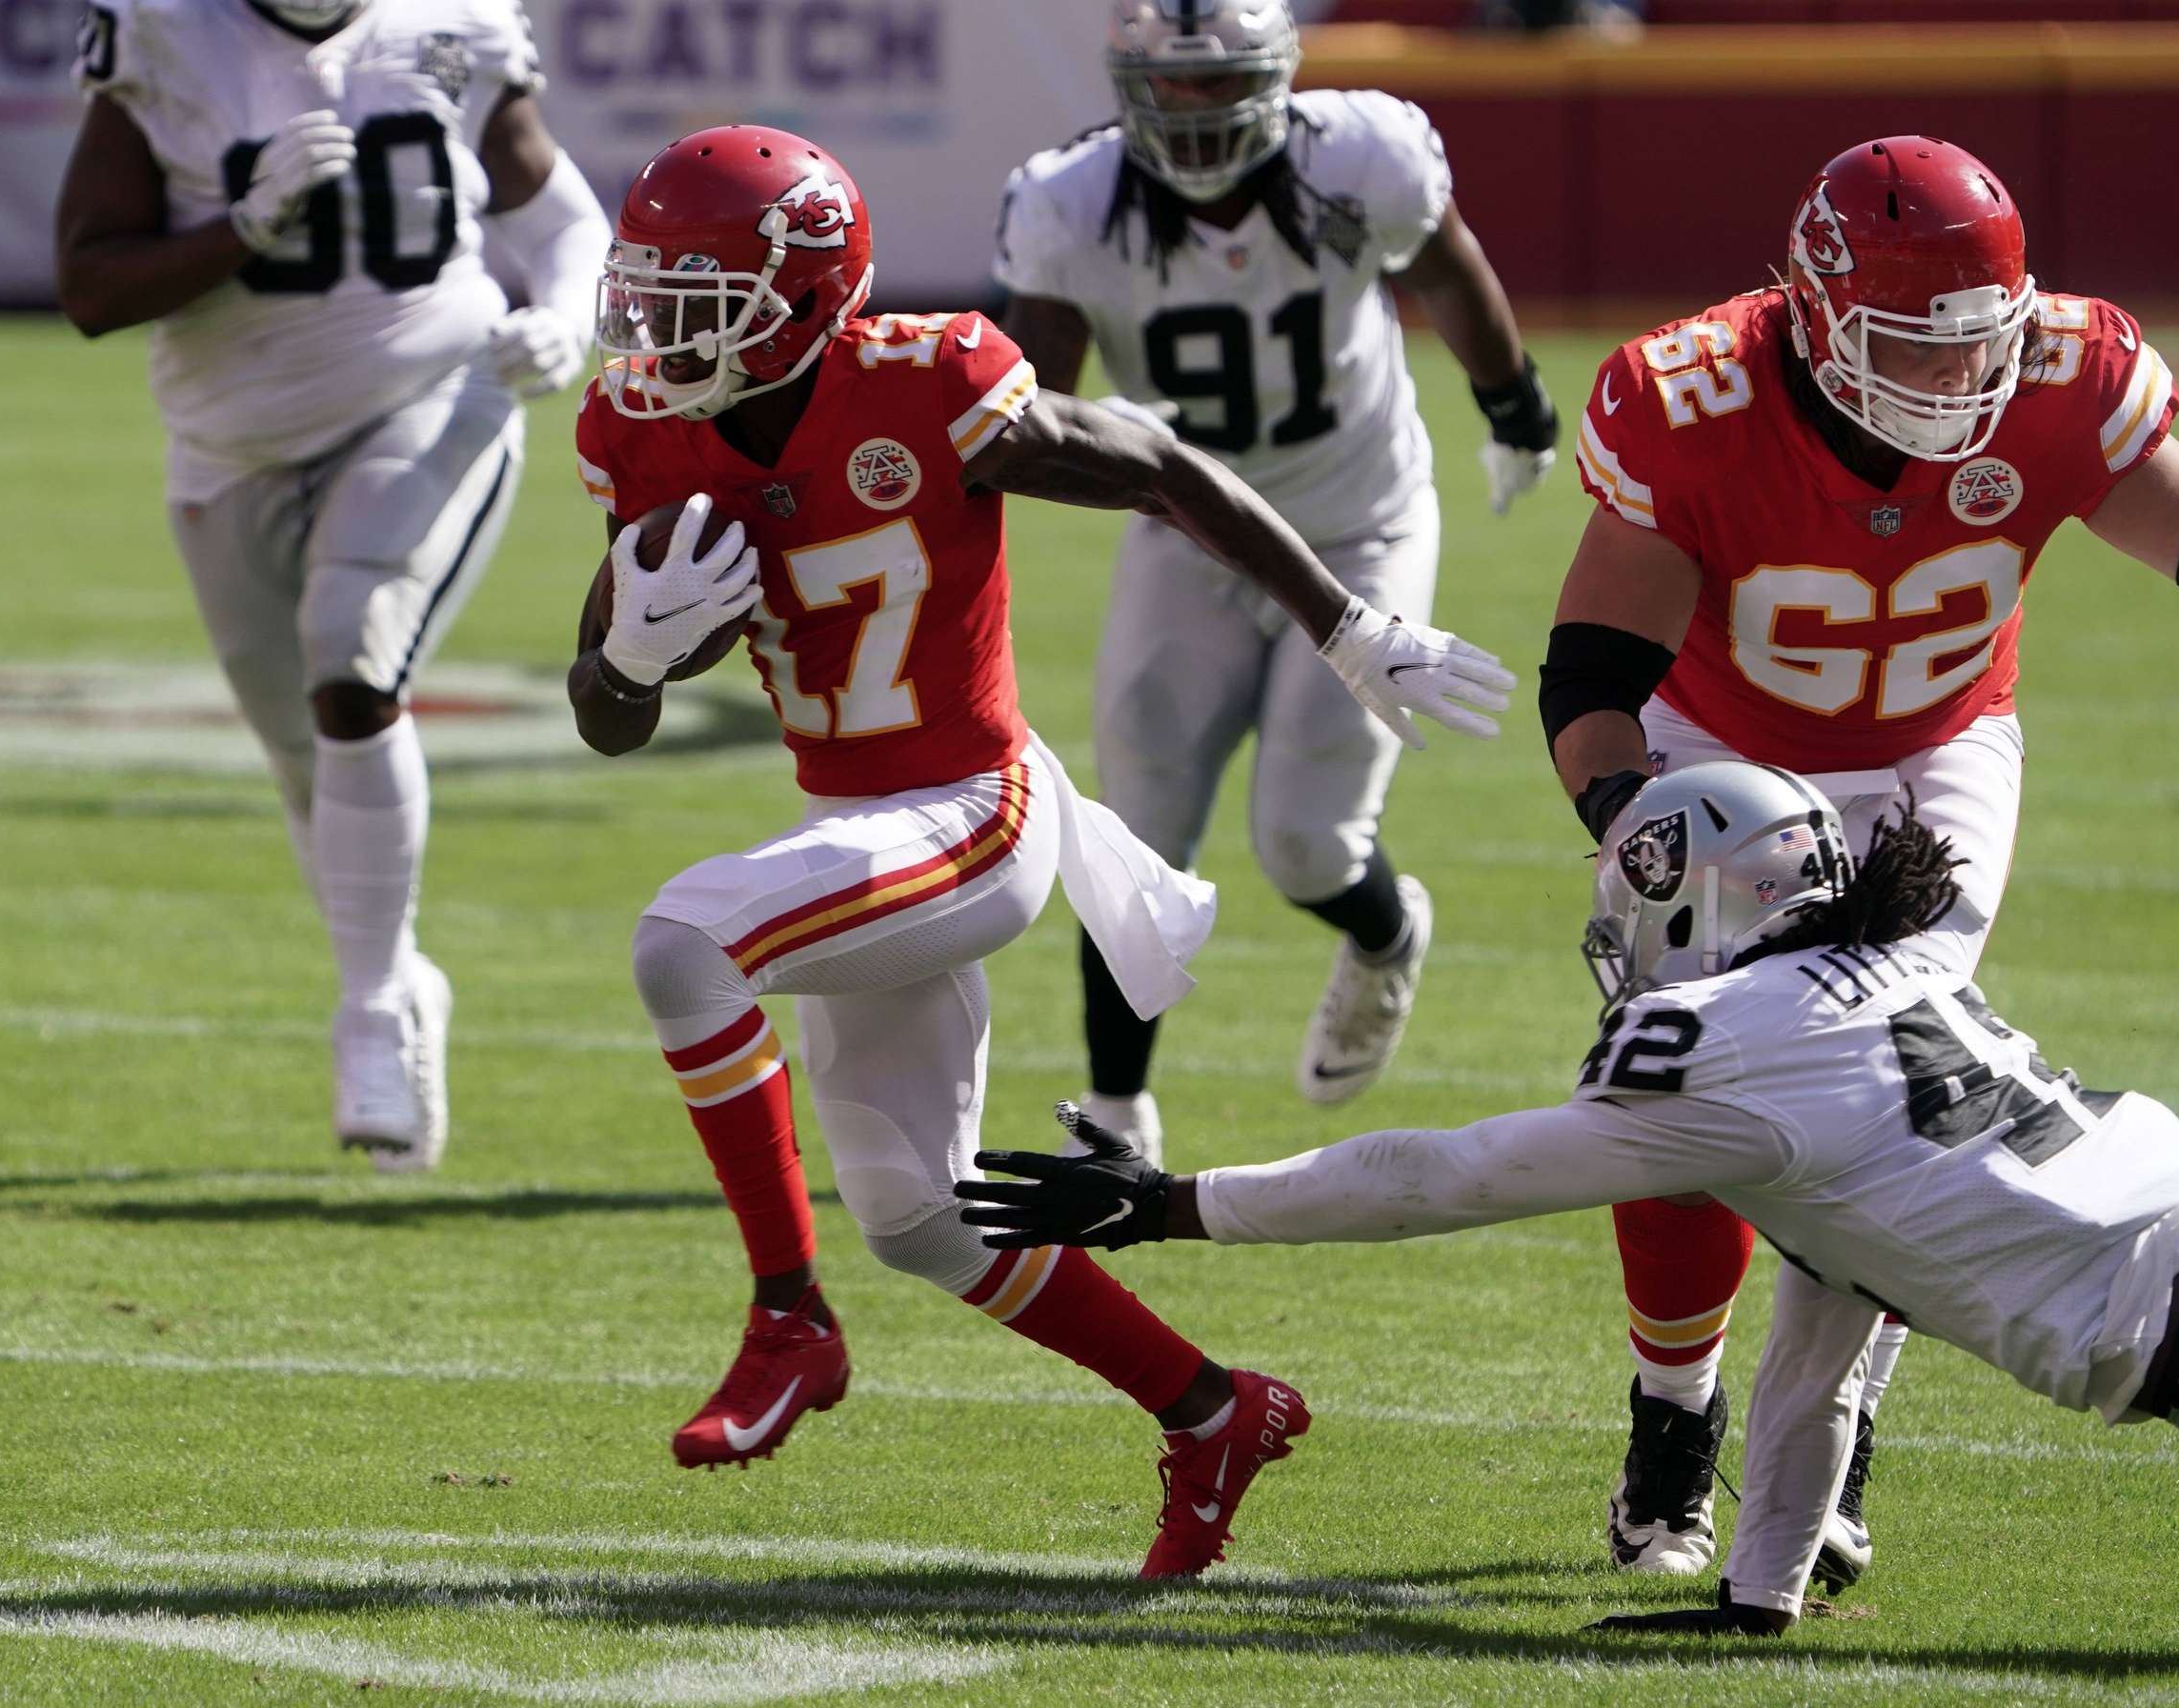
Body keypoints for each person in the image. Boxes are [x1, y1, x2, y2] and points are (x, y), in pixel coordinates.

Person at [567, 125, 1511, 1577]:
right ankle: (1213, 1412)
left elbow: (1162, 469)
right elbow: (606, 723)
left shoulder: (926, 382)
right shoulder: (643, 434)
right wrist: (628, 658)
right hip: (859, 835)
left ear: (803, 295)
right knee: (921, 1220)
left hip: (974, 813)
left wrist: (1348, 628)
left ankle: (786, 1320)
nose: (655, 335)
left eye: (695, 302)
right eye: (648, 297)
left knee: (683, 945)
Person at [958, 762, 2179, 1629]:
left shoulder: (1718, 1042)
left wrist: (1170, 1205)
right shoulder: (1892, 977)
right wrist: (1760, 1590)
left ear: (1692, 892)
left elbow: (1442, 1176)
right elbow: (1832, 1324)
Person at [1539, 135, 2179, 1579]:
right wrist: (1635, 817)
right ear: (1812, 310)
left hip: (1938, 756)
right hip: (1725, 764)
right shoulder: (1697, 399)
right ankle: (1671, 1415)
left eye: (1974, 346)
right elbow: (1596, 669)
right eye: (1909, 346)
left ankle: (1841, 1417)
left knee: (1877, 1098)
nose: (1953, 379)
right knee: (1681, 1091)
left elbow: (2178, 496)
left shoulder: (2054, 374)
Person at [995, 0, 1561, 1158]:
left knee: (1307, 843)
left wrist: (1514, 400)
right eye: (1172, 88)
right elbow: (1029, 399)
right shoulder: (1070, 201)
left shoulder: (1363, 155)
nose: (1195, 114)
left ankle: (1387, 929)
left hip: (1360, 525)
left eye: (1221, 85)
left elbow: (1446, 269)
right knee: (1134, 833)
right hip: (1183, 532)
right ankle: (1114, 1113)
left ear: (1278, 78)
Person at [53, 0, 611, 1170]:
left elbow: (558, 212)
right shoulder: (163, 30)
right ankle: (403, 976)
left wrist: (565, 314)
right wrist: (245, 227)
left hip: (433, 391)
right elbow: (92, 285)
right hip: (227, 443)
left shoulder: (452, 22)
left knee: (351, 670)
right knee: (309, 761)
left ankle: (367, 1012)